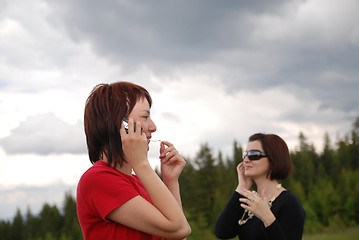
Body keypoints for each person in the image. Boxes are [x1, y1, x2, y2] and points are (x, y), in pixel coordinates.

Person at [77, 82, 191, 240]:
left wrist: (171, 181)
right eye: (145, 116)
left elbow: (177, 235)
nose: (153, 126)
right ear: (121, 124)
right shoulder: (97, 179)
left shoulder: (138, 182)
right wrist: (141, 164)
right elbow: (179, 228)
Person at [214, 133, 305, 240]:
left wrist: (267, 218)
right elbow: (222, 232)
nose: (246, 160)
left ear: (273, 159)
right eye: (245, 155)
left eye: (253, 155)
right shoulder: (250, 201)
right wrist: (242, 186)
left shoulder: (289, 202)